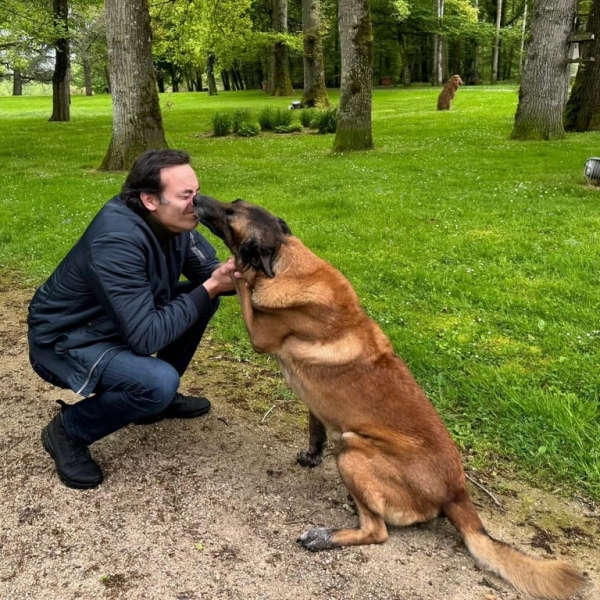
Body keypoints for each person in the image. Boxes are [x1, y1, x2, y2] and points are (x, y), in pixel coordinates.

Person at [28, 149, 238, 490]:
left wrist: (236, 272)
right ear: (150, 199)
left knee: (201, 300)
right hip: (67, 339)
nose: (196, 204)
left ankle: (154, 405)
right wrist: (213, 286)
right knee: (157, 381)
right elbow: (147, 338)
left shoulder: (176, 222)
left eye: (196, 192)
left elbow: (208, 274)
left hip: (117, 322)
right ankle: (68, 430)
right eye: (186, 196)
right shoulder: (117, 240)